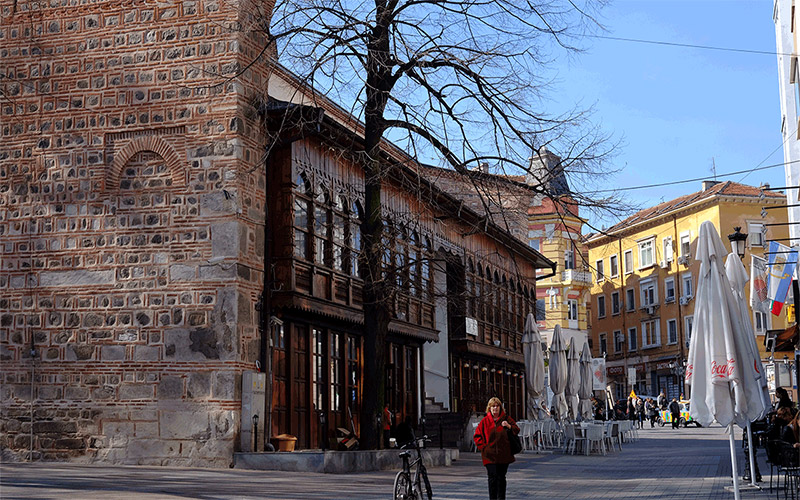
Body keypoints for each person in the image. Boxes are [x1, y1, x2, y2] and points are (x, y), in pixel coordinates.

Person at [474, 397, 520, 500]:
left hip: (504, 455)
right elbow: (477, 436)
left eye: (497, 406)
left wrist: (509, 426)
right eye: (493, 406)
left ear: (500, 408)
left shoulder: (506, 418)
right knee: (492, 479)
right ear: (489, 408)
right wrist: (484, 448)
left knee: (501, 479)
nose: (495, 408)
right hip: (489, 456)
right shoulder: (485, 421)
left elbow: (517, 430)